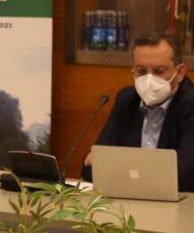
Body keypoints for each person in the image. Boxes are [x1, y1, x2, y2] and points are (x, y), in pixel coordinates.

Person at [83, 32, 194, 191]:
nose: (149, 79)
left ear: (180, 72)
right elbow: (89, 169)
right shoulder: (127, 99)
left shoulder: (190, 105)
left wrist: (115, 168)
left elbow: (183, 178)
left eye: (159, 70)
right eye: (141, 71)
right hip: (127, 206)